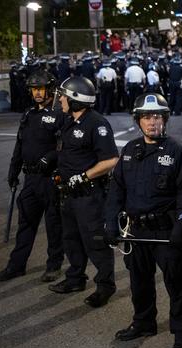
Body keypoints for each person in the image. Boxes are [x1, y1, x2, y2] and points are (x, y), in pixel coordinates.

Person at [105, 93, 182, 348]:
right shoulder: (130, 151)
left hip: (166, 232)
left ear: (165, 119)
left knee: (177, 284)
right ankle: (144, 322)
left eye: (157, 116)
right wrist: (111, 223)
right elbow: (116, 191)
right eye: (146, 117)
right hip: (136, 231)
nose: (152, 122)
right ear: (138, 121)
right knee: (139, 280)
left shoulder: (178, 150)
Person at [49, 76, 118, 308]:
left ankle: (105, 286)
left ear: (76, 100)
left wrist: (84, 176)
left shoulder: (96, 123)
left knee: (95, 241)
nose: (60, 100)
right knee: (71, 239)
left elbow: (110, 160)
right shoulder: (68, 121)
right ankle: (75, 278)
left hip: (89, 195)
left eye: (64, 97)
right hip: (68, 193)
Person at [0, 70, 64, 282]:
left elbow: (66, 146)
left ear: (50, 89)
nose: (38, 93)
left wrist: (50, 157)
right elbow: (19, 144)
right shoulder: (28, 114)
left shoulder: (59, 115)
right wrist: (13, 171)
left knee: (53, 224)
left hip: (50, 178)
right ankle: (16, 265)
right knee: (25, 224)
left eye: (41, 88)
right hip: (30, 179)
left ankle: (54, 265)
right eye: (34, 89)